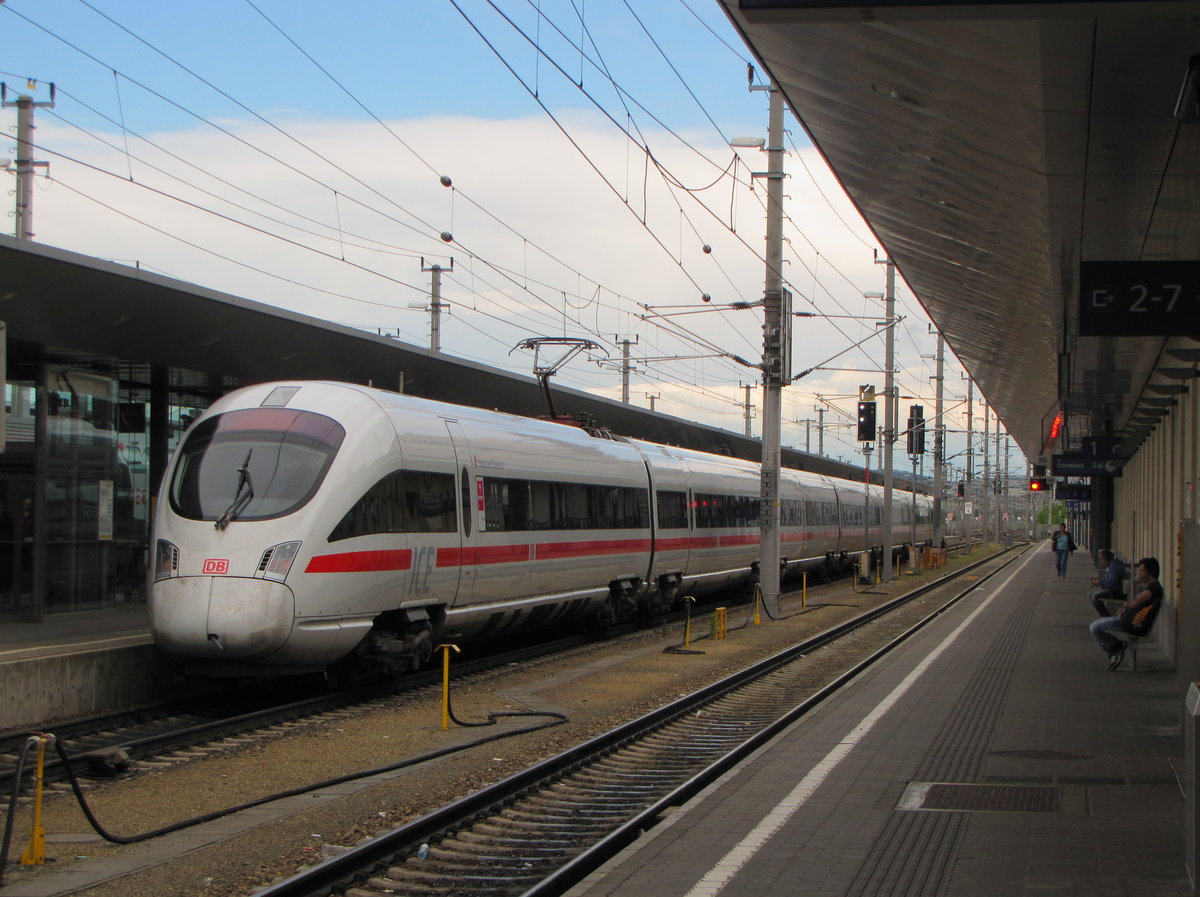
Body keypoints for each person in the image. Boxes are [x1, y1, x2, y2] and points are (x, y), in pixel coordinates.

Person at [1089, 556, 1163, 671]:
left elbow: (1136, 603)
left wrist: (1126, 605)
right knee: (1096, 624)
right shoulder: (1152, 586)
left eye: (1142, 570)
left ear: (1150, 572)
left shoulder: (1151, 589)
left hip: (1133, 624)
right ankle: (1117, 646)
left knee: (1095, 626)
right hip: (1130, 621)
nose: (1139, 573)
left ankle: (1114, 650)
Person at [1089, 549, 1127, 616]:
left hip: (1117, 591)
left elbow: (1112, 583)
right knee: (1093, 595)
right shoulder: (1113, 565)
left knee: (1094, 596)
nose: (1100, 562)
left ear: (1106, 558)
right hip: (1118, 589)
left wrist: (1100, 583)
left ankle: (1106, 616)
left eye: (1101, 559)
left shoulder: (1114, 567)